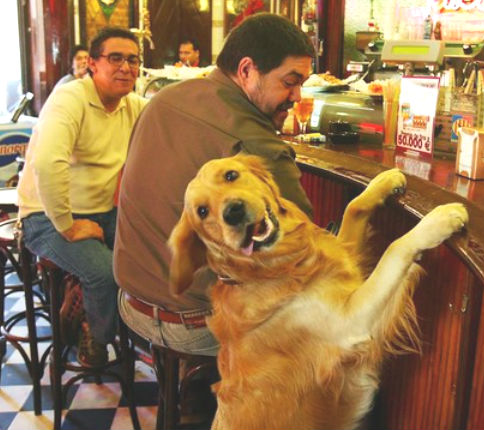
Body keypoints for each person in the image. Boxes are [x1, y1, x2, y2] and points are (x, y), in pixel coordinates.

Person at [114, 13, 314, 359]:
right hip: (191, 325)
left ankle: (192, 401)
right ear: (247, 71)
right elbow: (303, 245)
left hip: (130, 301)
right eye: (290, 81)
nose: (297, 95)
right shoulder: (256, 145)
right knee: (316, 325)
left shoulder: (162, 99)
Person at [17, 27, 148, 367]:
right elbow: (47, 164)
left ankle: (128, 328)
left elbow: (173, 120)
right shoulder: (70, 98)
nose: (125, 67)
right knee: (105, 272)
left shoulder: (133, 106)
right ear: (92, 64)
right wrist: (68, 226)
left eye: (132, 60)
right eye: (115, 58)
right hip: (45, 216)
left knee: (150, 254)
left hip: (102, 212)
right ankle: (95, 340)